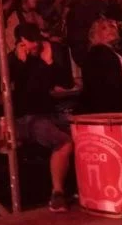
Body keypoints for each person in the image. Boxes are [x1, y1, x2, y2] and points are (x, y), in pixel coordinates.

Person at [8, 23, 73, 212]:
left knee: (82, 132)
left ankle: (79, 186)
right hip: (25, 118)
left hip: (47, 113)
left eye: (37, 41)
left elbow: (66, 83)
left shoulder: (41, 60)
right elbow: (23, 94)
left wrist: (50, 63)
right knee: (63, 142)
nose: (35, 46)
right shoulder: (11, 62)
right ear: (20, 43)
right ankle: (57, 194)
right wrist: (21, 64)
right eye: (31, 43)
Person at [80, 18, 122, 113]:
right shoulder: (99, 51)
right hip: (111, 113)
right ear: (95, 35)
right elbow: (105, 83)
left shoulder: (113, 52)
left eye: (112, 26)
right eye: (104, 28)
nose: (110, 30)